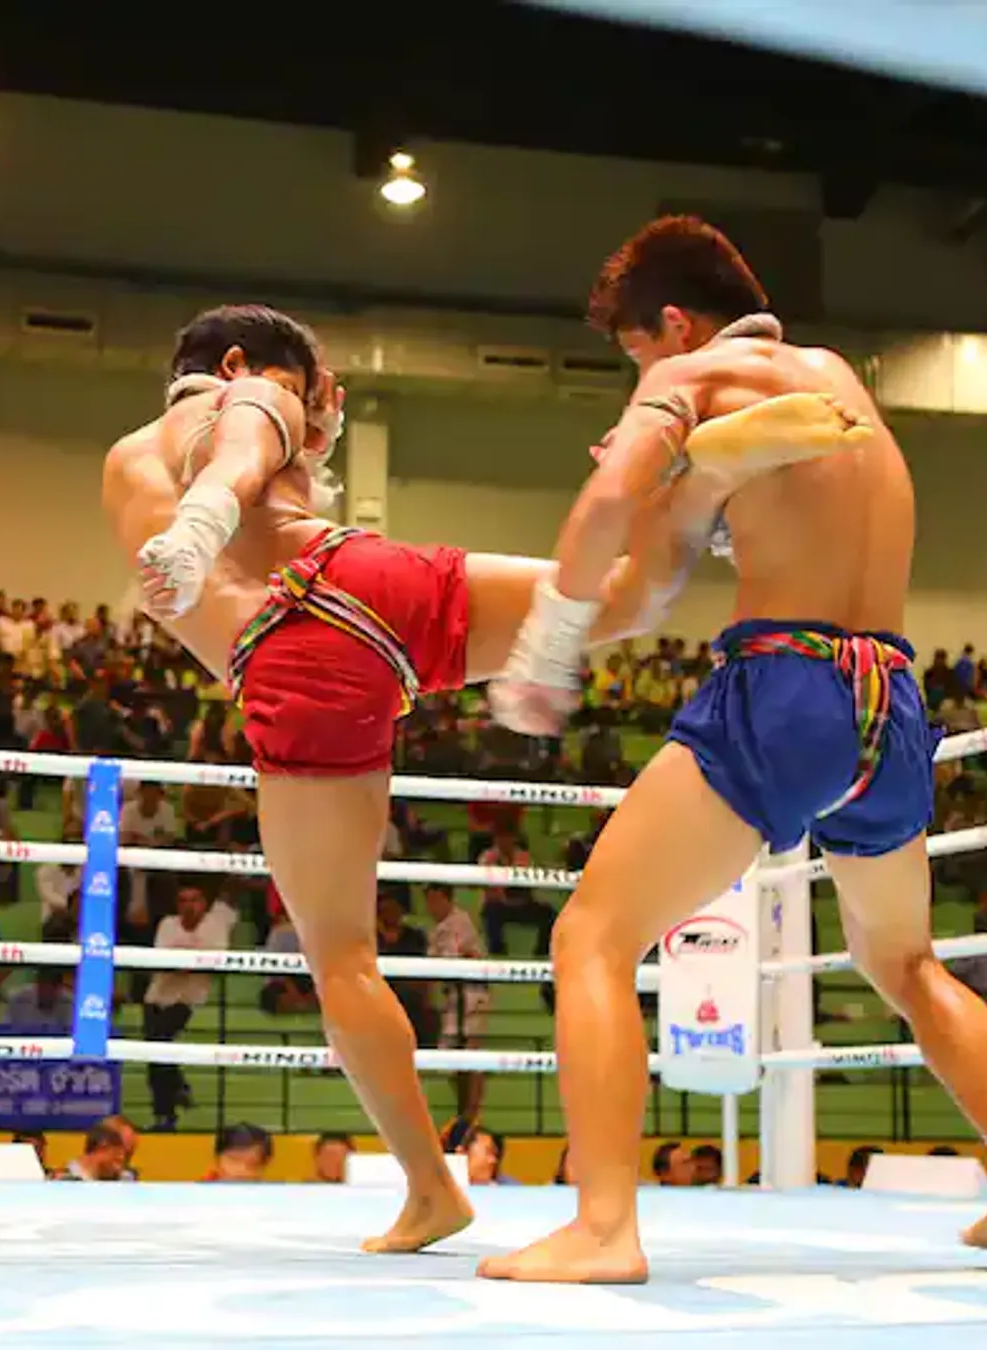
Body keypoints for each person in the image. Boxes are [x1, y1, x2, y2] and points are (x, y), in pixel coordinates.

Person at [103, 302, 836, 1255]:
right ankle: (700, 489)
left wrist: (202, 526)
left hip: (294, 650)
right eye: (305, 389)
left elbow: (241, 444)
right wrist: (287, 435)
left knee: (342, 957)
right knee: (620, 599)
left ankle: (429, 1190)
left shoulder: (150, 452)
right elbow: (252, 432)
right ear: (241, 362)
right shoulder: (242, 409)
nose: (306, 409)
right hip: (371, 578)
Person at [481, 214, 987, 1282]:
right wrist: (689, 490)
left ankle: (603, 1231)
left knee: (592, 937)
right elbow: (692, 539)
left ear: (673, 324)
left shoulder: (693, 375)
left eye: (635, 354)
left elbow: (613, 512)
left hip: (787, 685)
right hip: (891, 697)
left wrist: (548, 644)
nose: (641, 375)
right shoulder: (841, 383)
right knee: (903, 962)